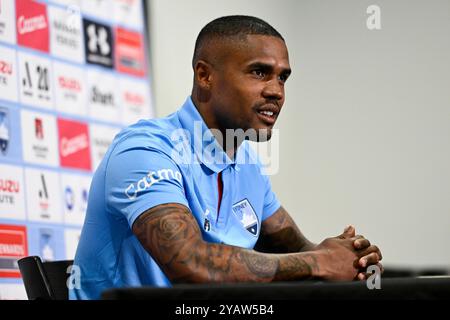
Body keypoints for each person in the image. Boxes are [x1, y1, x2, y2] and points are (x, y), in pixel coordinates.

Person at [70, 15, 382, 300]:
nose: (276, 91)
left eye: (282, 78)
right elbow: (190, 263)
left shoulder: (247, 162)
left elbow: (301, 250)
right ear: (204, 76)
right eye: (260, 72)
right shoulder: (144, 150)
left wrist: (349, 258)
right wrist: (319, 262)